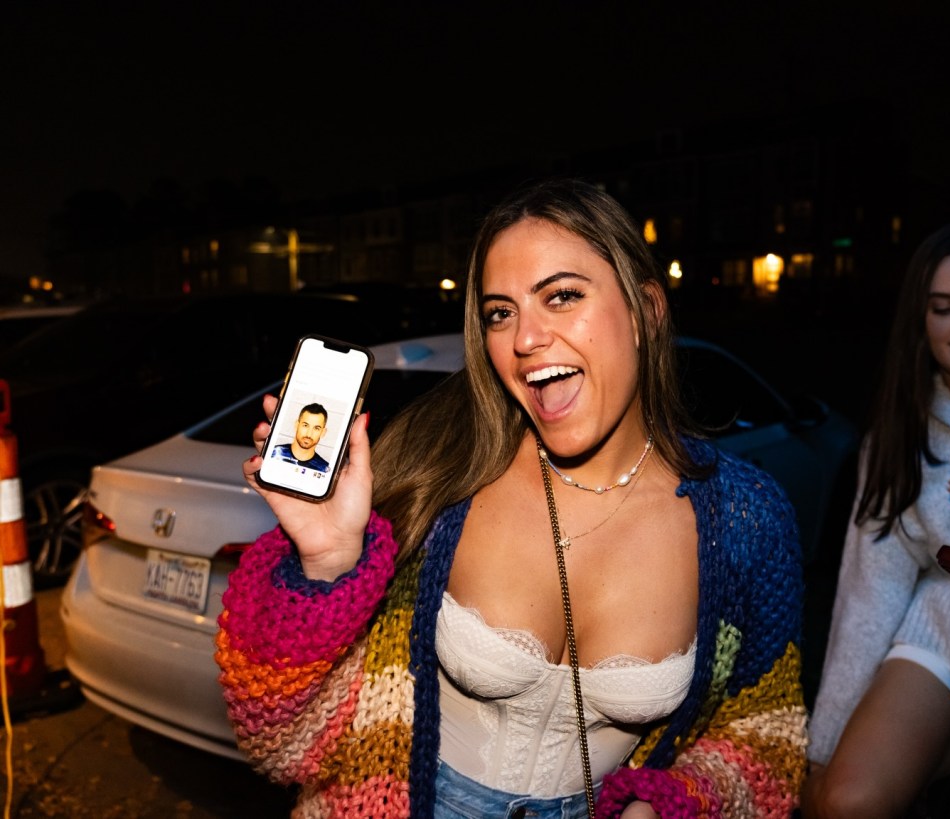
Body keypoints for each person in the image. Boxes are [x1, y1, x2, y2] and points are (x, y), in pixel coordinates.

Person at [215, 177, 807, 818]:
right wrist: (327, 562)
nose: (525, 339)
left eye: (561, 296)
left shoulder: (746, 521)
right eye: (501, 312)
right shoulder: (437, 467)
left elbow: (764, 734)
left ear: (647, 311)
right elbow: (275, 738)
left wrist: (671, 808)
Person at [802, 221, 950, 819]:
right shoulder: (899, 435)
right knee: (846, 802)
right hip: (943, 630)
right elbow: (869, 592)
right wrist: (822, 750)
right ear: (920, 320)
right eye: (944, 307)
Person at [269, 401, 330, 472]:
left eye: (316, 428)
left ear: (323, 432)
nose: (309, 434)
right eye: (305, 425)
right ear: (296, 425)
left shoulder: (324, 468)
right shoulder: (274, 452)